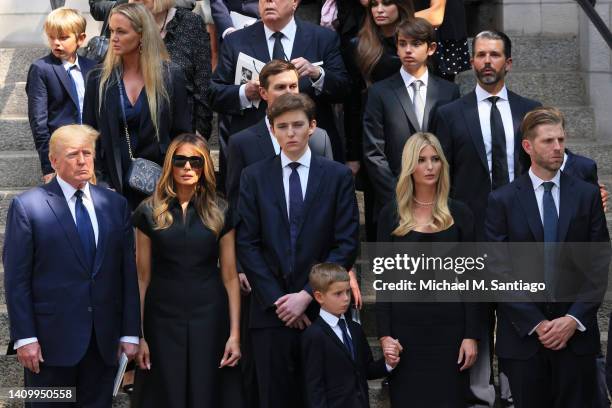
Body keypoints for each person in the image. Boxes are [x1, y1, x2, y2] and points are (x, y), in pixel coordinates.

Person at [3, 124, 140, 406]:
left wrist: (129, 332)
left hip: (102, 344)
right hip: (48, 346)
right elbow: (17, 280)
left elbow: (127, 273)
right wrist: (25, 338)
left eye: (87, 153)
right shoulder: (28, 207)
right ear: (54, 160)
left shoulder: (115, 205)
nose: (82, 161)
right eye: (73, 154)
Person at [237, 93, 359, 408]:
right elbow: (247, 243)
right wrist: (281, 301)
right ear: (272, 129)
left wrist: (306, 295)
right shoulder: (253, 177)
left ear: (313, 127)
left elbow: (345, 243)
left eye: (297, 125)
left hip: (322, 312)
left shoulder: (337, 176)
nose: (290, 133)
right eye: (282, 126)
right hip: (270, 312)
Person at [485, 106, 610, 407]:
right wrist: (537, 323)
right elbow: (498, 271)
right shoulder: (502, 200)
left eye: (561, 140)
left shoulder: (586, 195)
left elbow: (598, 265)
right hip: (524, 340)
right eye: (548, 141)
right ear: (528, 146)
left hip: (576, 338)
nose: (557, 148)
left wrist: (572, 319)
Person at [131, 133, 242, 407]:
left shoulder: (221, 210)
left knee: (207, 392)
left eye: (196, 161)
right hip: (161, 317)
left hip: (210, 315)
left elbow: (229, 276)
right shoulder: (148, 211)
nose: (188, 167)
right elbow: (141, 277)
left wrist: (235, 335)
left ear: (205, 166)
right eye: (180, 160)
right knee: (164, 394)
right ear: (170, 164)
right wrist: (139, 335)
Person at [376, 132, 479, 407]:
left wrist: (471, 335)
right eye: (421, 160)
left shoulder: (461, 214)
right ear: (410, 166)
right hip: (405, 334)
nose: (430, 166)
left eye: (435, 159)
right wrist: (385, 335)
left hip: (451, 333)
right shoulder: (390, 215)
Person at [209, 0, 350, 181]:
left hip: (310, 146)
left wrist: (317, 74)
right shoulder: (236, 41)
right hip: (253, 150)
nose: (268, 2)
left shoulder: (322, 38)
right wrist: (245, 92)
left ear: (294, 3)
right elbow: (213, 93)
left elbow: (345, 88)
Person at [83, 2, 192, 210]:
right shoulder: (98, 79)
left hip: (159, 183)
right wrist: (100, 181)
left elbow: (182, 134)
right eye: (112, 31)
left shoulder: (169, 76)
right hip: (112, 183)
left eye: (121, 32)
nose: (113, 38)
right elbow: (89, 136)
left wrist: (173, 182)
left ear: (142, 35)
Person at [363, 18, 460, 224]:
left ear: (431, 48)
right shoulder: (379, 92)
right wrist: (397, 198)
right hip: (393, 200)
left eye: (416, 44)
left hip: (438, 201)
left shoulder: (448, 92)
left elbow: (451, 148)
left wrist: (441, 194)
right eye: (402, 43)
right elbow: (373, 152)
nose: (408, 50)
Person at [225, 59, 334, 208]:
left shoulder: (320, 139)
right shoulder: (241, 143)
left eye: (293, 86)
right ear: (263, 92)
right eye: (281, 87)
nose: (289, 92)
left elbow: (328, 195)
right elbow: (237, 205)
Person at [302, 262, 401, 408]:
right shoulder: (314, 335)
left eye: (348, 291)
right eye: (338, 293)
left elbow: (366, 370)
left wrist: (388, 363)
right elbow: (314, 388)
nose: (346, 298)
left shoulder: (355, 329)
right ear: (319, 296)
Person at [27, 7, 96, 183]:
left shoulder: (93, 67)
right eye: (52, 37)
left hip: (92, 155)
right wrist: (48, 165)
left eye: (63, 37)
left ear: (80, 39)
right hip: (63, 157)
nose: (56, 43)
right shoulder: (41, 69)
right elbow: (38, 122)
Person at [129, 0, 213, 138]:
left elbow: (203, 84)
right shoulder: (125, 24)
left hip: (182, 134)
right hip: (137, 134)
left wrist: (200, 135)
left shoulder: (190, 23)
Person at [414, 0, 470, 81]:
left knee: (438, 86)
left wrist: (398, 18)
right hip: (417, 28)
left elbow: (436, 16)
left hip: (439, 34)